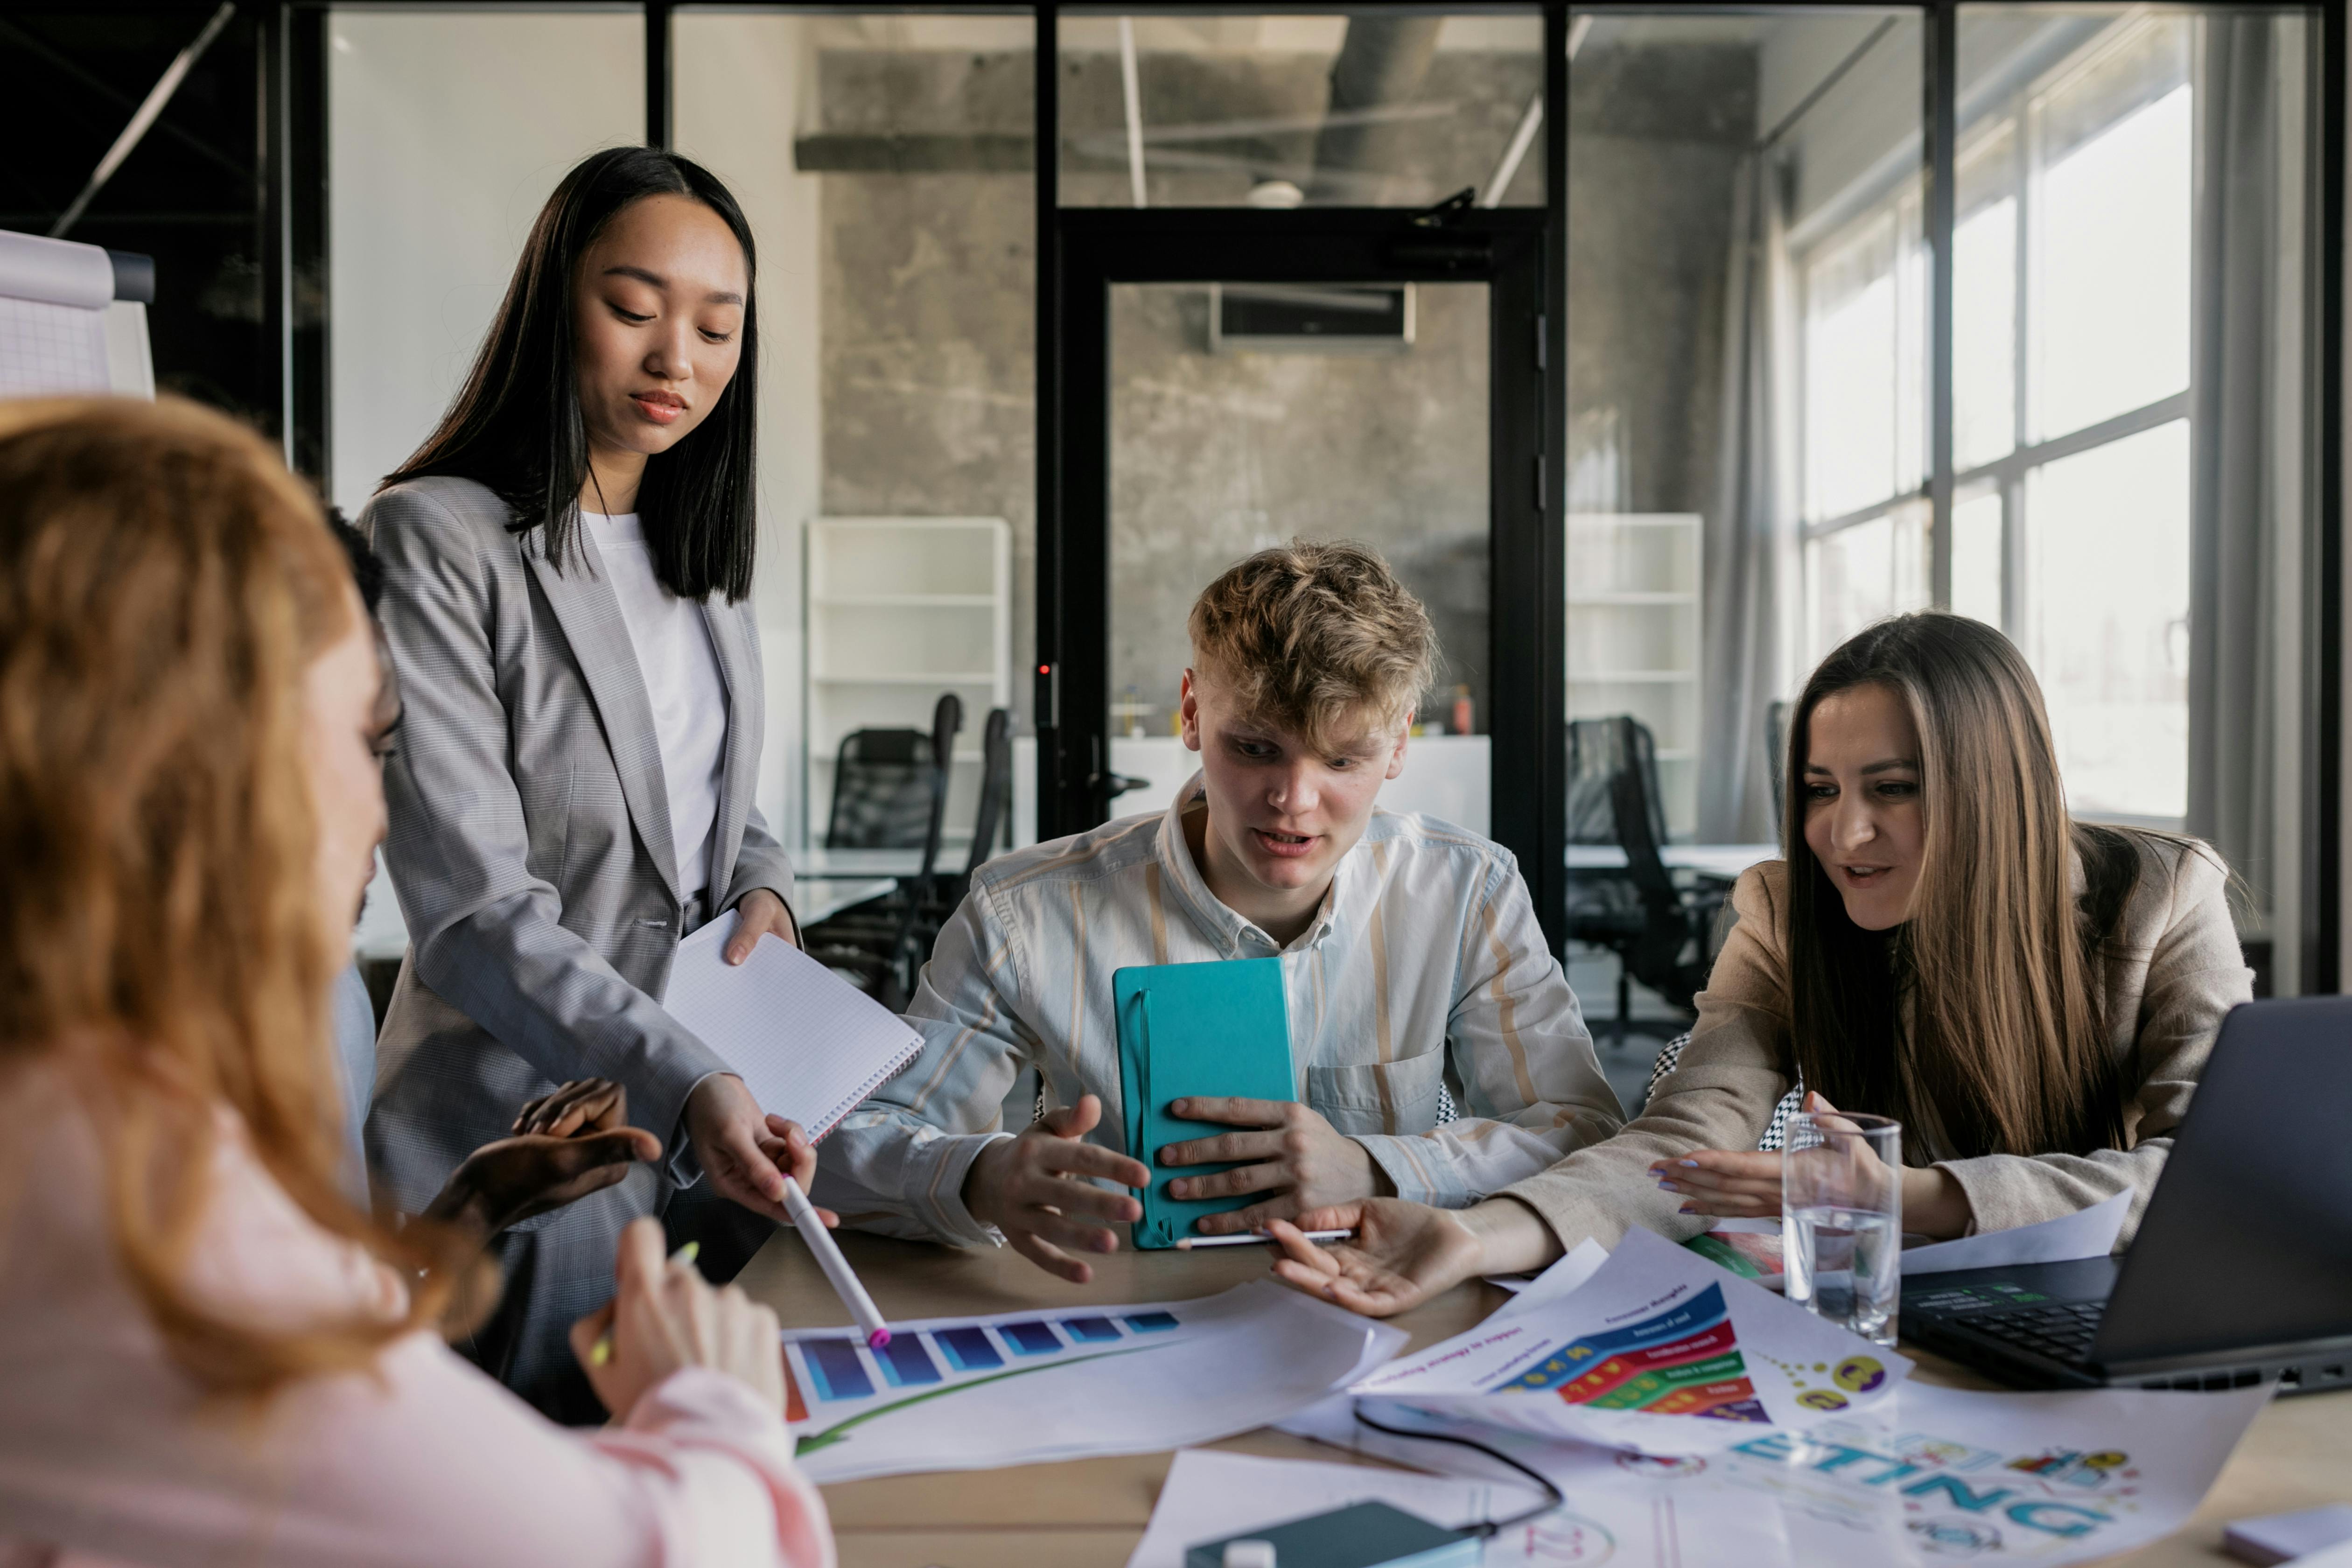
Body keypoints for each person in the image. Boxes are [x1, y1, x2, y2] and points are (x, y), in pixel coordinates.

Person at [0, 397, 833, 1567]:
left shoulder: (132, 1077)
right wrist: (714, 1406)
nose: (380, 811)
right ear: (191, 770)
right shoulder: (134, 1197)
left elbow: (301, 1412)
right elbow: (643, 1547)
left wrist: (462, 1219)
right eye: (364, 743)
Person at [1265, 612, 2254, 1316]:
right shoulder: (1788, 912)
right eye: (1821, 788)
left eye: (1895, 789)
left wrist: (1913, 1202)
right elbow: (1681, 1143)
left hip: (2121, 1317)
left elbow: (2209, 1181)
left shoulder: (2162, 898)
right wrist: (1478, 1234)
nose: (1845, 832)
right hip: (1900, 1327)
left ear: (1993, 787)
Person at [817, 540, 1624, 1282]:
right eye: (1255, 747)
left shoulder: (1467, 891)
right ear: (1193, 712)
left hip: (1389, 1311)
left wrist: (1374, 1167)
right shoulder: (1022, 913)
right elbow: (847, 1148)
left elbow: (1584, 1135)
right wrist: (979, 1176)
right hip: (1124, 1320)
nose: (1294, 804)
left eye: (1344, 759)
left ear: (1401, 743)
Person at [361, 147, 809, 1421]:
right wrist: (684, 1078)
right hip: (510, 1157)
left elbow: (709, 802)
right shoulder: (437, 539)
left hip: (696, 1162)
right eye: (635, 309)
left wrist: (765, 886)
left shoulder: (697, 551)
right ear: (555, 304)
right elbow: (472, 913)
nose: (680, 356)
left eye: (718, 327)